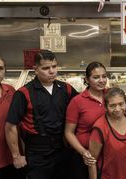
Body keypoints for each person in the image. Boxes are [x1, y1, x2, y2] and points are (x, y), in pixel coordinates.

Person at [5, 50, 78, 179]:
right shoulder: (24, 93)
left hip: (63, 148)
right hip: (38, 152)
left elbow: (81, 109)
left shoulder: (66, 89)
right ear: (36, 69)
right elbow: (10, 126)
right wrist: (16, 156)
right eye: (46, 68)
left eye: (54, 66)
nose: (52, 71)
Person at [65, 62, 108, 179]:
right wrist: (84, 152)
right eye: (96, 77)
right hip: (85, 157)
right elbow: (69, 132)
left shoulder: (110, 96)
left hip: (108, 154)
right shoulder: (77, 101)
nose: (101, 80)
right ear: (87, 80)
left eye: (104, 76)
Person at [88, 88, 126, 179]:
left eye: (121, 104)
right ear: (105, 107)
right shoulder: (100, 128)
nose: (117, 109)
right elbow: (92, 162)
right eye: (112, 106)